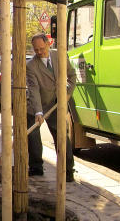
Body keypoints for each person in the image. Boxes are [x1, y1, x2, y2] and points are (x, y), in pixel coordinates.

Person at [26, 33, 76, 182]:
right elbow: (33, 89)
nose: (40, 52)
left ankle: (67, 170)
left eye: (42, 48)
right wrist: (38, 111)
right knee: (33, 136)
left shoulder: (59, 56)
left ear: (48, 43)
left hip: (56, 104)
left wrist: (67, 94)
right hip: (36, 105)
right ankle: (36, 167)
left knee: (61, 136)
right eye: (36, 50)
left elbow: (72, 76)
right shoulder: (31, 66)